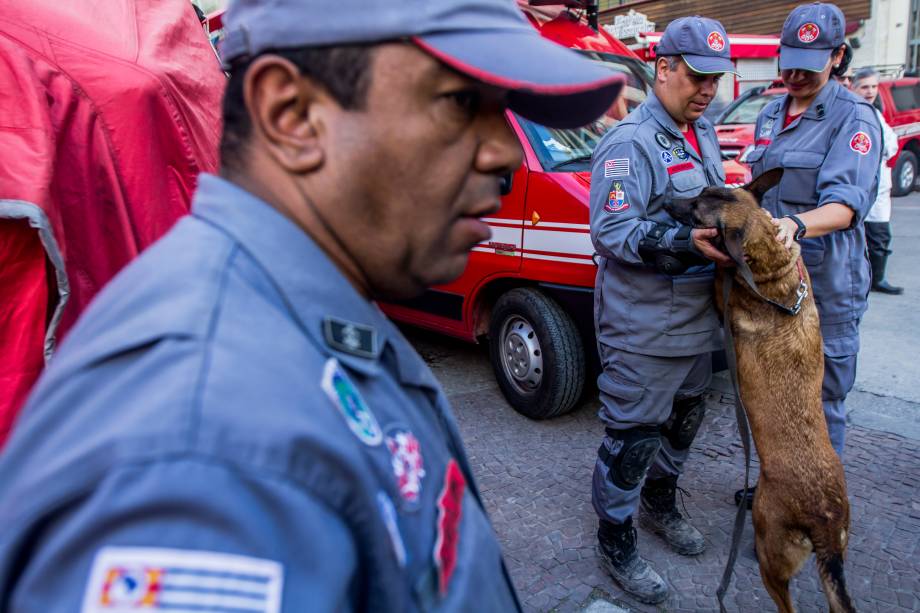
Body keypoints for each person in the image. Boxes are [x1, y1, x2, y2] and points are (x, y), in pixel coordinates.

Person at [0, 1, 624, 610]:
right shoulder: (201, 446)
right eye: (462, 103)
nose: (506, 154)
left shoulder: (302, 312)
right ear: (292, 114)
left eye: (505, 112)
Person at [588, 16, 735, 604]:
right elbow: (611, 230)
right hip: (643, 326)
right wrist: (682, 243)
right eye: (697, 76)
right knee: (633, 437)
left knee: (684, 423)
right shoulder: (628, 142)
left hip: (699, 321)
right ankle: (615, 538)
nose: (706, 90)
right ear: (663, 67)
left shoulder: (703, 133)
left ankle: (658, 505)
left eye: (716, 81)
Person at [737, 2, 882, 508]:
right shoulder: (773, 111)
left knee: (820, 406)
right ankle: (778, 491)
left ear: (838, 56)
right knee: (774, 399)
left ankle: (817, 505)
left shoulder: (854, 117)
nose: (795, 74)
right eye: (788, 61)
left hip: (826, 292)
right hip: (773, 290)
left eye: (809, 63)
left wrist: (796, 224)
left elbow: (846, 205)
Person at [853, 67, 903, 294]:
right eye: (864, 86)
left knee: (879, 235)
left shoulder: (876, 114)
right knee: (858, 237)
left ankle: (876, 278)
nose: (870, 91)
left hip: (879, 186)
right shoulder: (855, 115)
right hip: (860, 185)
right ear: (854, 88)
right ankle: (863, 279)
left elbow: (890, 146)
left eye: (873, 86)